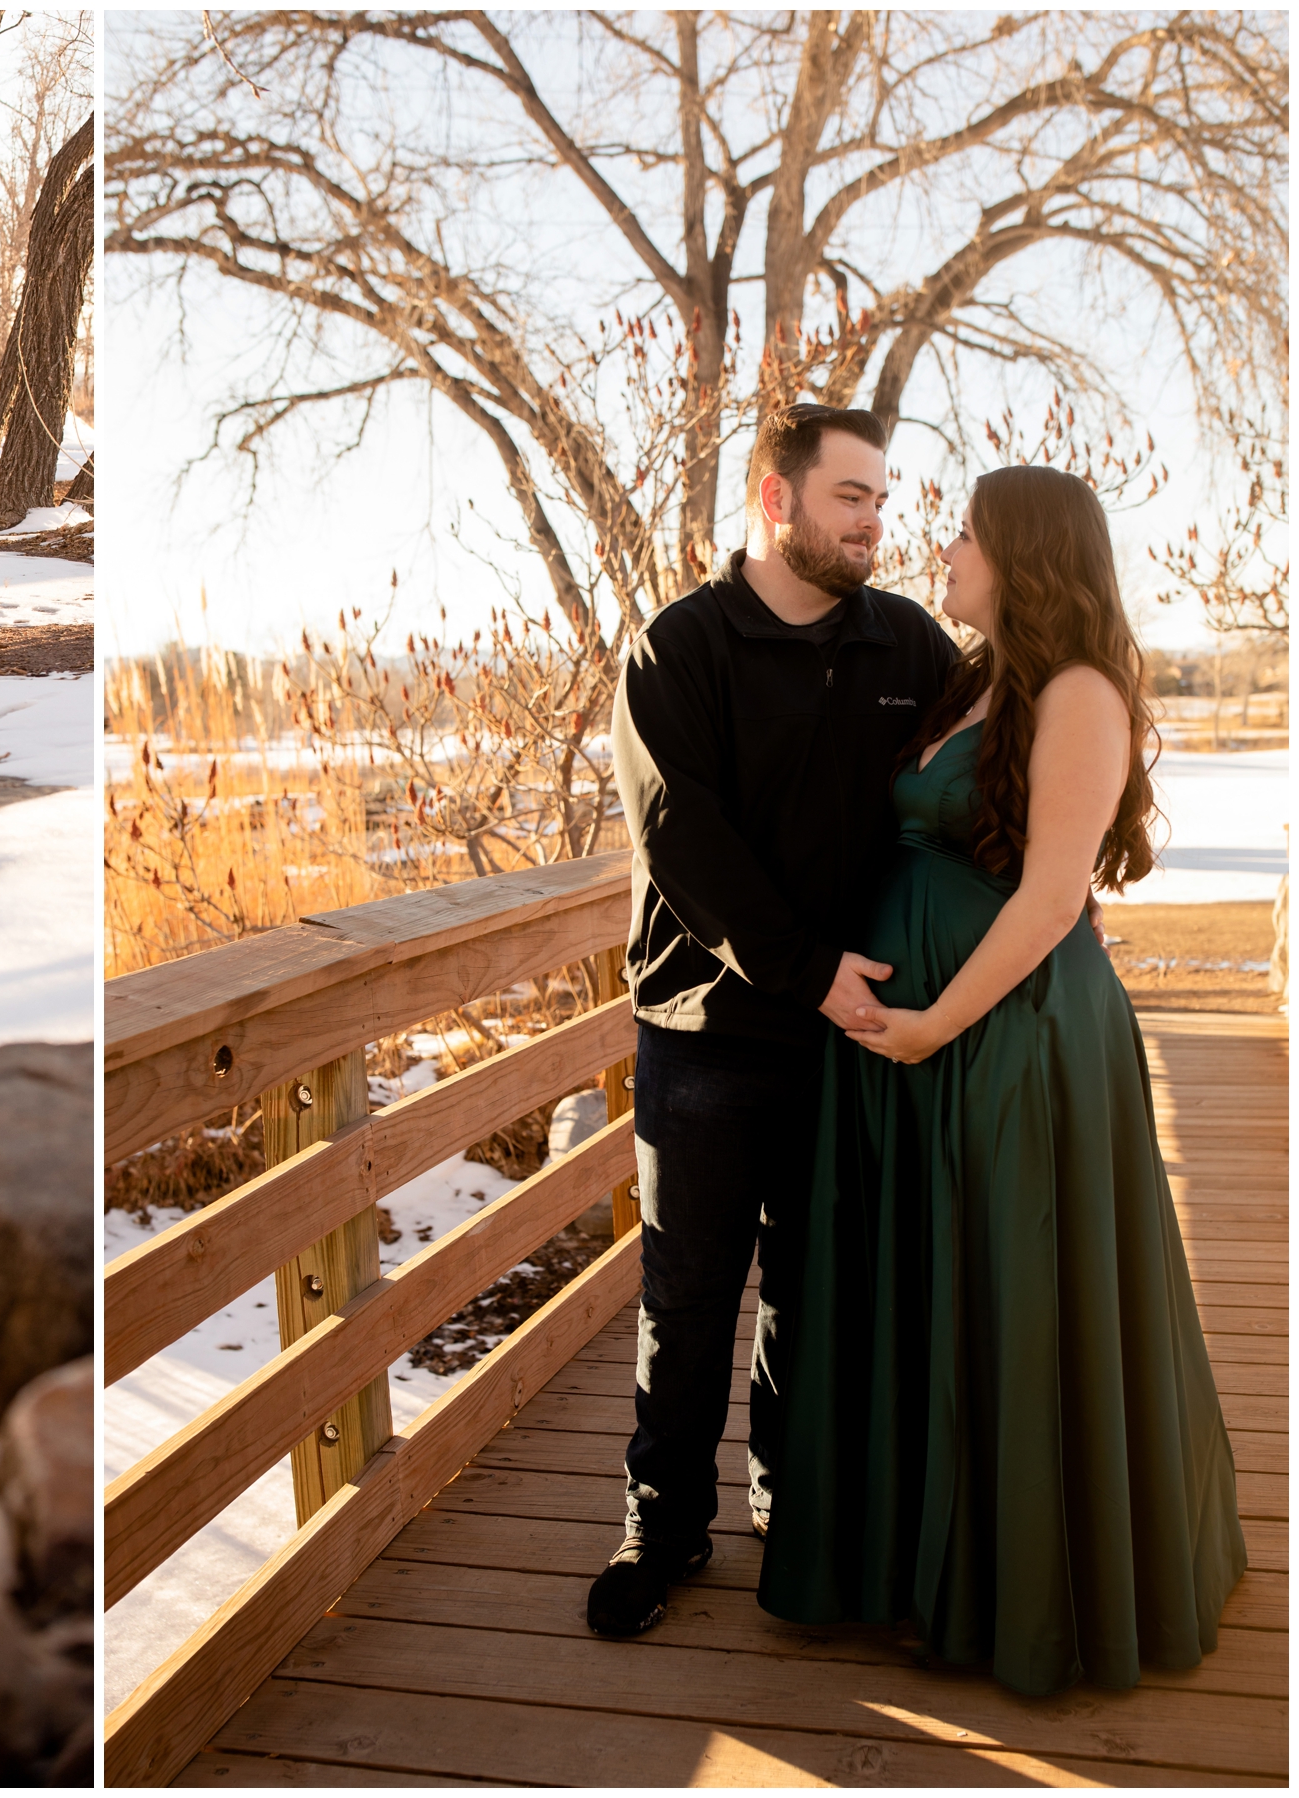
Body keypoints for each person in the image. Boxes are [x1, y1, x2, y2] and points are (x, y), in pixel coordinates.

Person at [759, 467, 1246, 1695]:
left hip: (1010, 1034)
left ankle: (1022, 1593)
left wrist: (932, 1028)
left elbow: (1048, 900)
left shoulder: (1080, 694)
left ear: (1023, 554)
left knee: (1014, 1291)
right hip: (924, 1039)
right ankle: (922, 1567)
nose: (949, 546)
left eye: (969, 531)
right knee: (938, 1285)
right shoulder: (978, 678)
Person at [586, 404, 959, 1637]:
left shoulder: (906, 640)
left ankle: (790, 1504)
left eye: (882, 498)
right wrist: (810, 971)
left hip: (853, 1035)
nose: (874, 520)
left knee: (813, 1288)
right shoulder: (677, 648)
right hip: (705, 1036)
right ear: (775, 498)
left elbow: (985, 779)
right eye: (852, 495)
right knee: (688, 1292)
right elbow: (682, 840)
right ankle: (662, 1524)